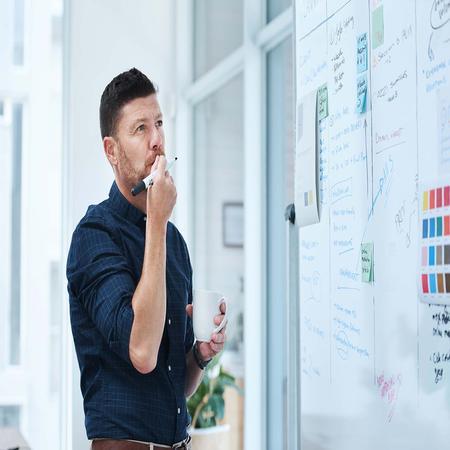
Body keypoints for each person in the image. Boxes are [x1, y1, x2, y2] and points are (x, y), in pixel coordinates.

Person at [66, 68, 227, 450]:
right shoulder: (94, 236)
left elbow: (175, 385)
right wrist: (157, 220)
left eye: (158, 124)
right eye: (140, 129)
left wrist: (199, 357)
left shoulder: (174, 243)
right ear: (111, 150)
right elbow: (141, 352)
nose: (157, 141)